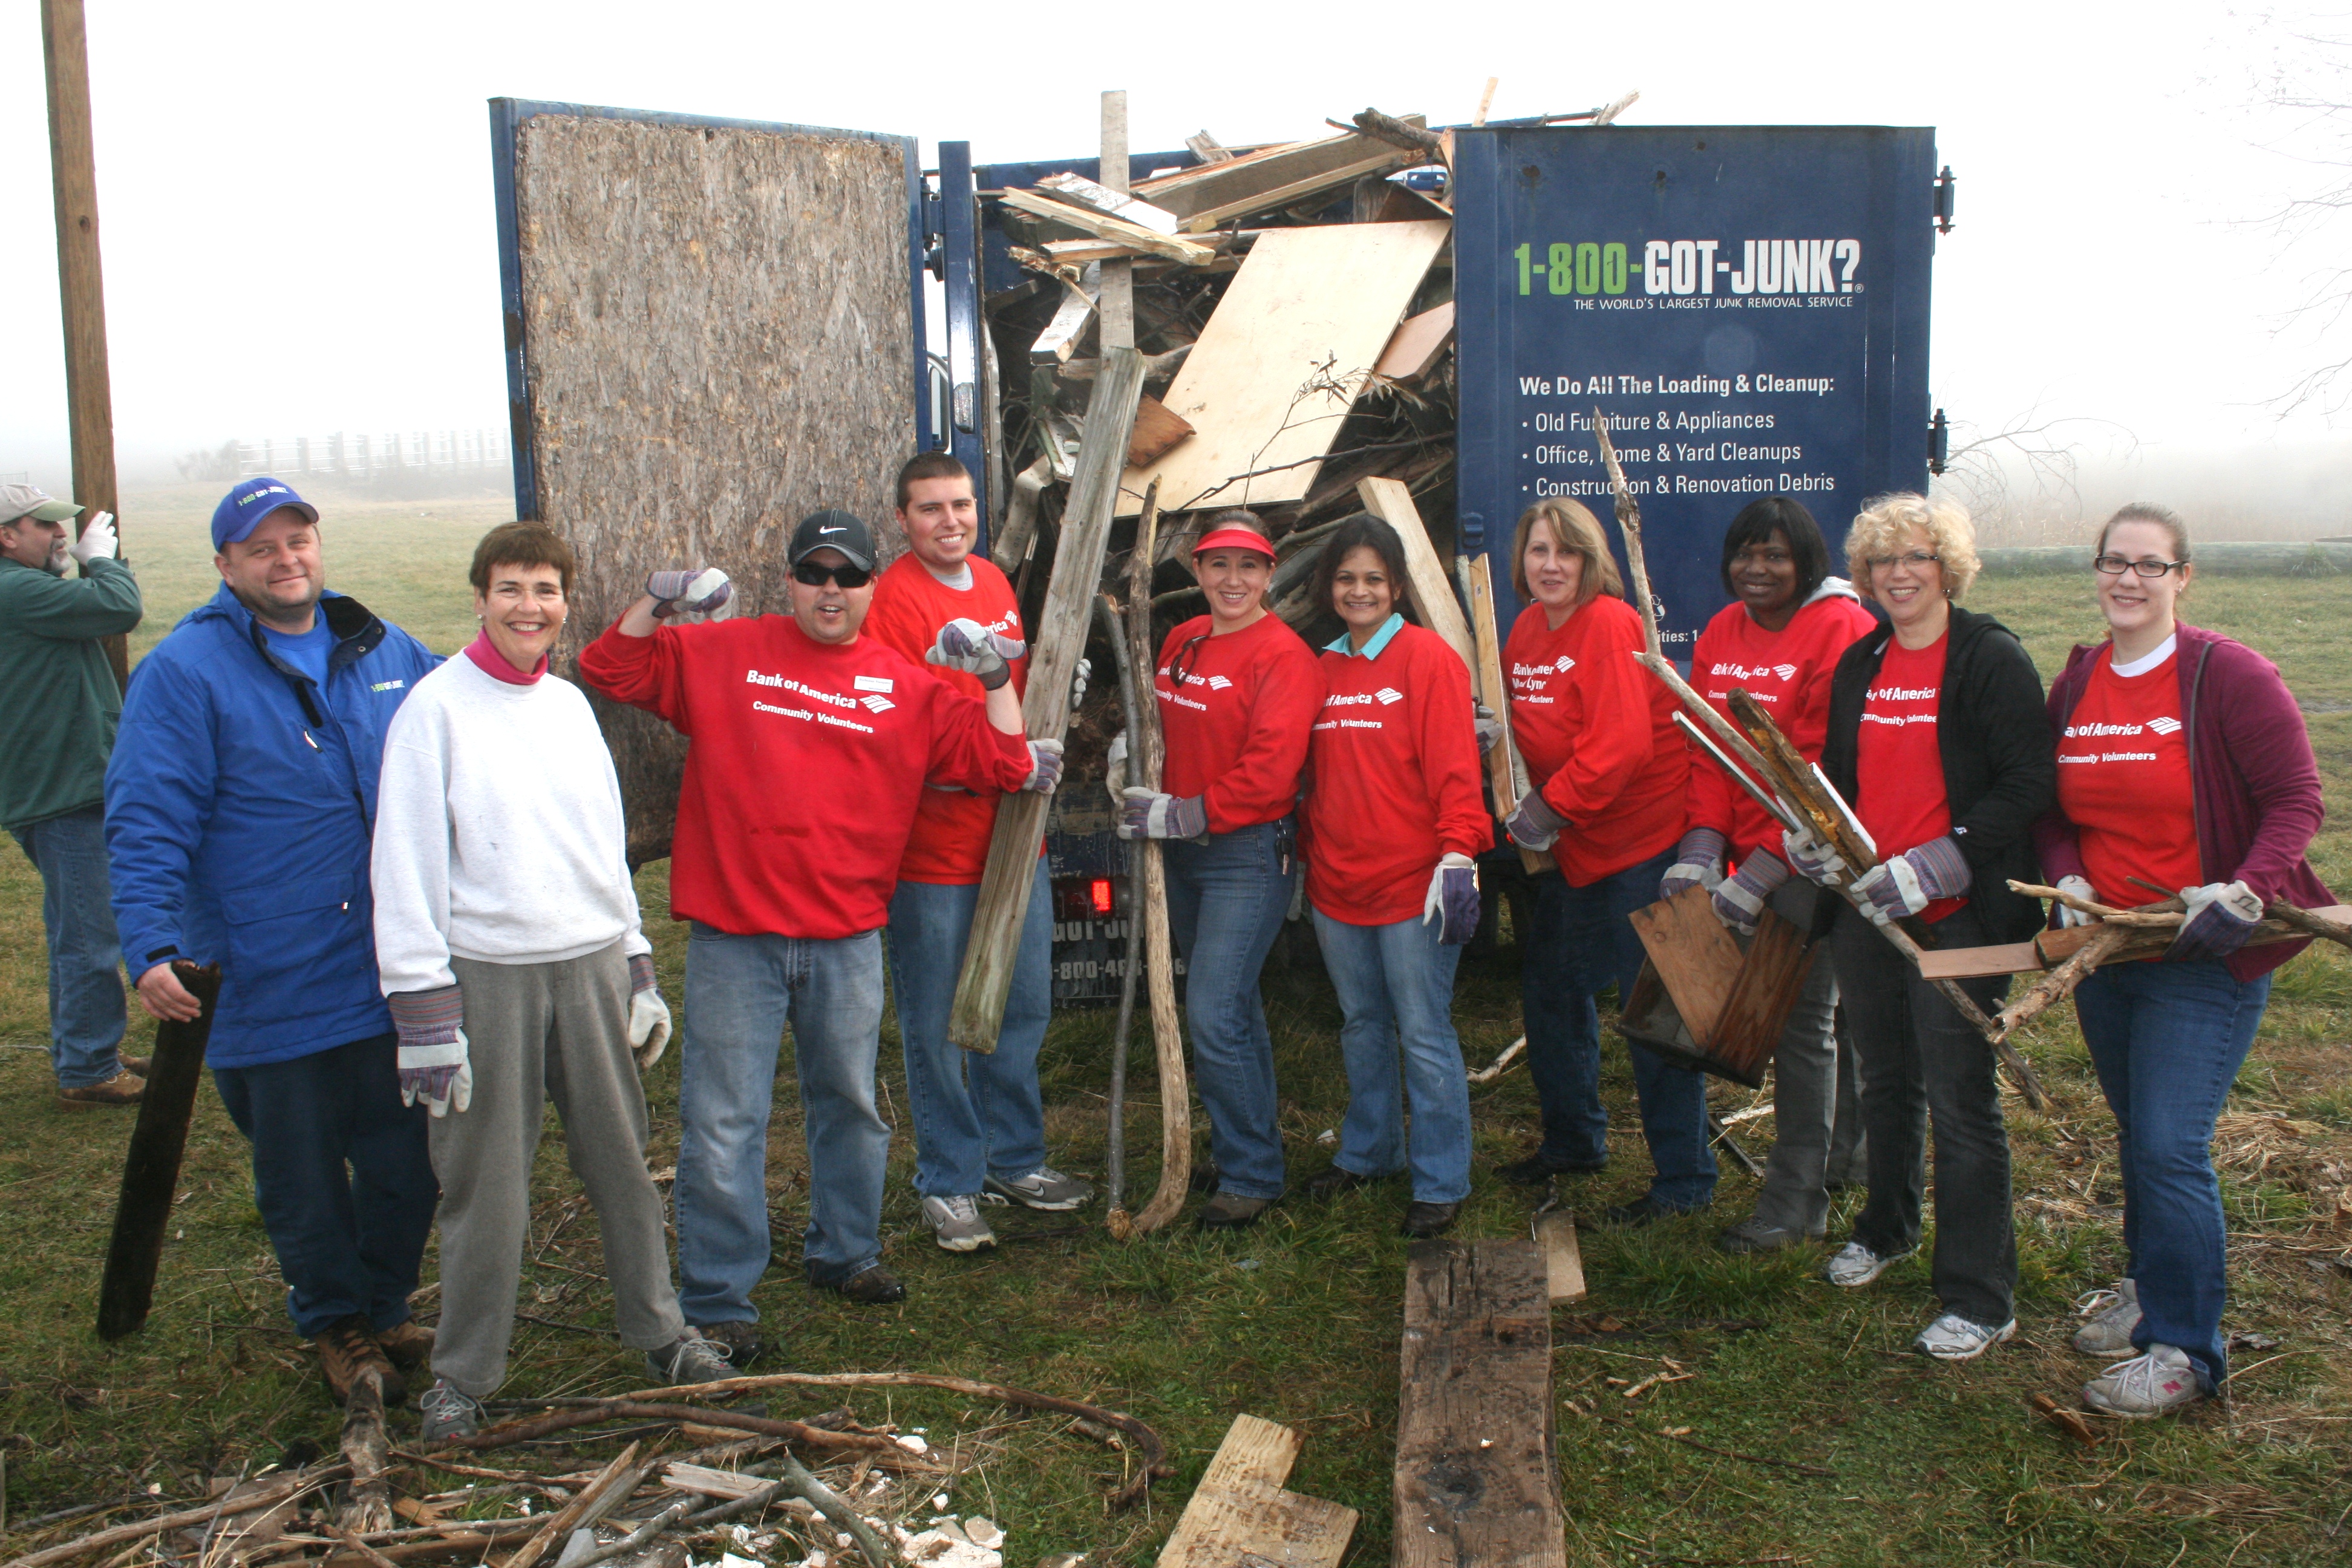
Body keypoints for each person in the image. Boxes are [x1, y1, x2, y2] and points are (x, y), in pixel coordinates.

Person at [577, 510, 1060, 1353]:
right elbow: (609, 666)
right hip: (738, 934)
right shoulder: (725, 653)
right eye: (814, 573)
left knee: (852, 1105)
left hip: (847, 937)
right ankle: (719, 1295)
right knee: (725, 1120)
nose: (830, 590)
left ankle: (846, 1253)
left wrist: (991, 680)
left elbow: (1006, 765)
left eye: (848, 576)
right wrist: (658, 601)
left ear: (874, 587)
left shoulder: (906, 686)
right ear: (790, 582)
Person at [371, 523, 733, 1440]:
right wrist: (423, 1016)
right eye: (510, 589)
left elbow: (599, 849)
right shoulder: (435, 711)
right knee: (484, 1186)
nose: (529, 608)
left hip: (586, 968)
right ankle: (463, 1376)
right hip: (487, 976)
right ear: (480, 597)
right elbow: (404, 865)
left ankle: (662, 1331)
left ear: (566, 602)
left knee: (623, 1165)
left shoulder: (569, 707)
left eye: (545, 590)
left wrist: (637, 965)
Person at [105, 477, 442, 1404]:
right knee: (302, 1177)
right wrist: (150, 943)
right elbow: (145, 817)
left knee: (405, 1161)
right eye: (262, 548)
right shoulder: (186, 672)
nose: (286, 559)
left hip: (385, 970)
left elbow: (471, 715)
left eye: (298, 540)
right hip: (268, 975)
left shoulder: (381, 645)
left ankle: (383, 1303)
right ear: (226, 565)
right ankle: (336, 1324)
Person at [2034, 503, 2328, 1417]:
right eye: (2114, 563)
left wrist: (2243, 890)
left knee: (2168, 1143)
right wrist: (2070, 879)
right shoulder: (2079, 681)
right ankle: (2150, 1285)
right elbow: (2051, 811)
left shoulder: (2225, 674)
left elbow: (2297, 798)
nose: (2129, 580)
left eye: (2150, 566)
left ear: (2183, 578)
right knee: (2138, 1132)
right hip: (2113, 946)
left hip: (2205, 949)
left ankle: (2186, 1349)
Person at [1781, 492, 2054, 1361]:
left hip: (1959, 914)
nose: (1899, 574)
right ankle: (1888, 1226)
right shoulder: (1863, 662)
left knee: (1959, 1099)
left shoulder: (1988, 658)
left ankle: (1979, 1294)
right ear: (1864, 576)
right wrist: (1820, 841)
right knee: (1884, 1076)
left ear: (1948, 569)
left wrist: (1940, 862)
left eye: (1917, 558)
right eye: (1882, 562)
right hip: (1870, 906)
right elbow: (1845, 780)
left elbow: (2025, 785)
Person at [865, 454, 1092, 1255]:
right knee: (938, 1025)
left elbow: (1009, 697)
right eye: (930, 509)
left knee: (1021, 1006)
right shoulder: (893, 603)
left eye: (961, 505)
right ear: (904, 518)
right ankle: (950, 1181)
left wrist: (1055, 691)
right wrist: (993, 766)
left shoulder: (994, 588)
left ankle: (1014, 1159)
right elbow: (899, 728)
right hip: (934, 852)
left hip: (1013, 839)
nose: (949, 521)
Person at [1659, 497, 1878, 1253]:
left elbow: (1820, 770)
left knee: (1801, 1024)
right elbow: (1713, 750)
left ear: (1807, 561)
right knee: (1816, 1017)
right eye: (1746, 554)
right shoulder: (1723, 629)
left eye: (1776, 556)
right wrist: (1701, 842)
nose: (1758, 570)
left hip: (1815, 852)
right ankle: (1848, 1160)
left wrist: (1758, 872)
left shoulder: (1841, 628)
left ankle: (1796, 1203)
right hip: (1749, 845)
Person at [1493, 498, 1706, 1225]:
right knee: (1552, 990)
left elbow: (1620, 749)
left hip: (1644, 844)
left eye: (1567, 552)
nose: (1550, 565)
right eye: (1537, 551)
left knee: (1653, 1015)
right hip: (1581, 849)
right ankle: (1575, 1141)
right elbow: (1524, 730)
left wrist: (1544, 811)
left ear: (1593, 561)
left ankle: (1683, 1182)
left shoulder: (1612, 626)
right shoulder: (1524, 630)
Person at [1117, 511, 1324, 1230]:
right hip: (1182, 851)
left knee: (1210, 1009)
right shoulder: (1184, 639)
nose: (1232, 579)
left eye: (1248, 566)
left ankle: (1251, 1175)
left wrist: (1185, 812)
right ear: (1197, 572)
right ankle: (1247, 1147)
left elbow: (1271, 773)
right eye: (1217, 564)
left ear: (1270, 575)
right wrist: (1132, 760)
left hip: (1245, 853)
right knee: (1231, 1011)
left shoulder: (1284, 657)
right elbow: (1160, 721)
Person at [1294, 514, 1489, 1237]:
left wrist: (1459, 854)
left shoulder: (1428, 659)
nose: (1360, 590)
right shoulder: (1320, 669)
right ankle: (1370, 1152)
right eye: (1347, 578)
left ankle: (1441, 1180)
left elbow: (1454, 770)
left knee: (1423, 1031)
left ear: (1398, 586)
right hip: (1337, 887)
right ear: (1329, 587)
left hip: (1415, 888)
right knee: (1361, 1026)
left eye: (1374, 578)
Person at [0, 483, 143, 1108]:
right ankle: (88, 1068)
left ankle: (89, 1045)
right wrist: (103, 562)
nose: (61, 534)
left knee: (75, 925)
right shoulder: (16, 590)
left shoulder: (26, 589)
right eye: (45, 526)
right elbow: (119, 607)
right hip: (59, 789)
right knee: (90, 932)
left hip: (56, 782)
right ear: (7, 535)